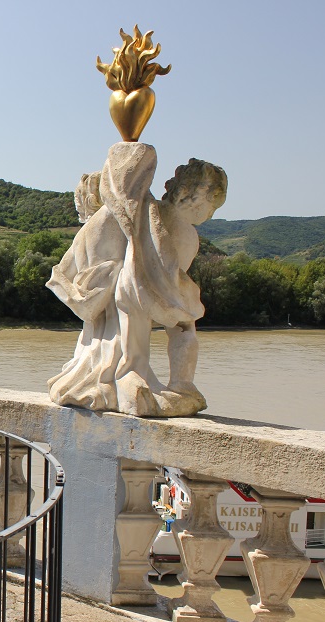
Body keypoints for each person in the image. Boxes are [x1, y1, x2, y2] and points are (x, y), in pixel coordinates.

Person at [47, 143, 226, 417]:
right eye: (211, 207)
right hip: (131, 297)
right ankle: (182, 385)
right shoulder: (175, 227)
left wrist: (82, 294)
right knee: (184, 325)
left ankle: (130, 376)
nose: (209, 215)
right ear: (194, 197)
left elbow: (61, 272)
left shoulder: (110, 219)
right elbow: (168, 277)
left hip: (108, 305)